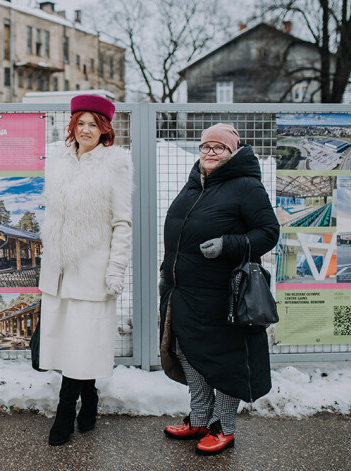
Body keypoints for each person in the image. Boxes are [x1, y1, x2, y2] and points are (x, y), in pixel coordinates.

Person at [159, 123, 279, 455]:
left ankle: (223, 427)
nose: (211, 153)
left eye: (219, 148)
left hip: (224, 294)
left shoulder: (246, 186)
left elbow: (269, 232)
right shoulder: (195, 183)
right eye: (206, 146)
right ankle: (199, 417)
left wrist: (229, 244)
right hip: (186, 291)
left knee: (224, 361)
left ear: (232, 152)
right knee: (187, 352)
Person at [39, 94, 132, 446]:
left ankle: (65, 412)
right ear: (73, 126)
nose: (86, 130)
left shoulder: (115, 165)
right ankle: (90, 395)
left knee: (82, 341)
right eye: (81, 123)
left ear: (105, 129)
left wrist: (115, 269)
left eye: (94, 124)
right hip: (59, 269)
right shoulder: (59, 161)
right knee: (71, 343)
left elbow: (122, 222)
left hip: (92, 270)